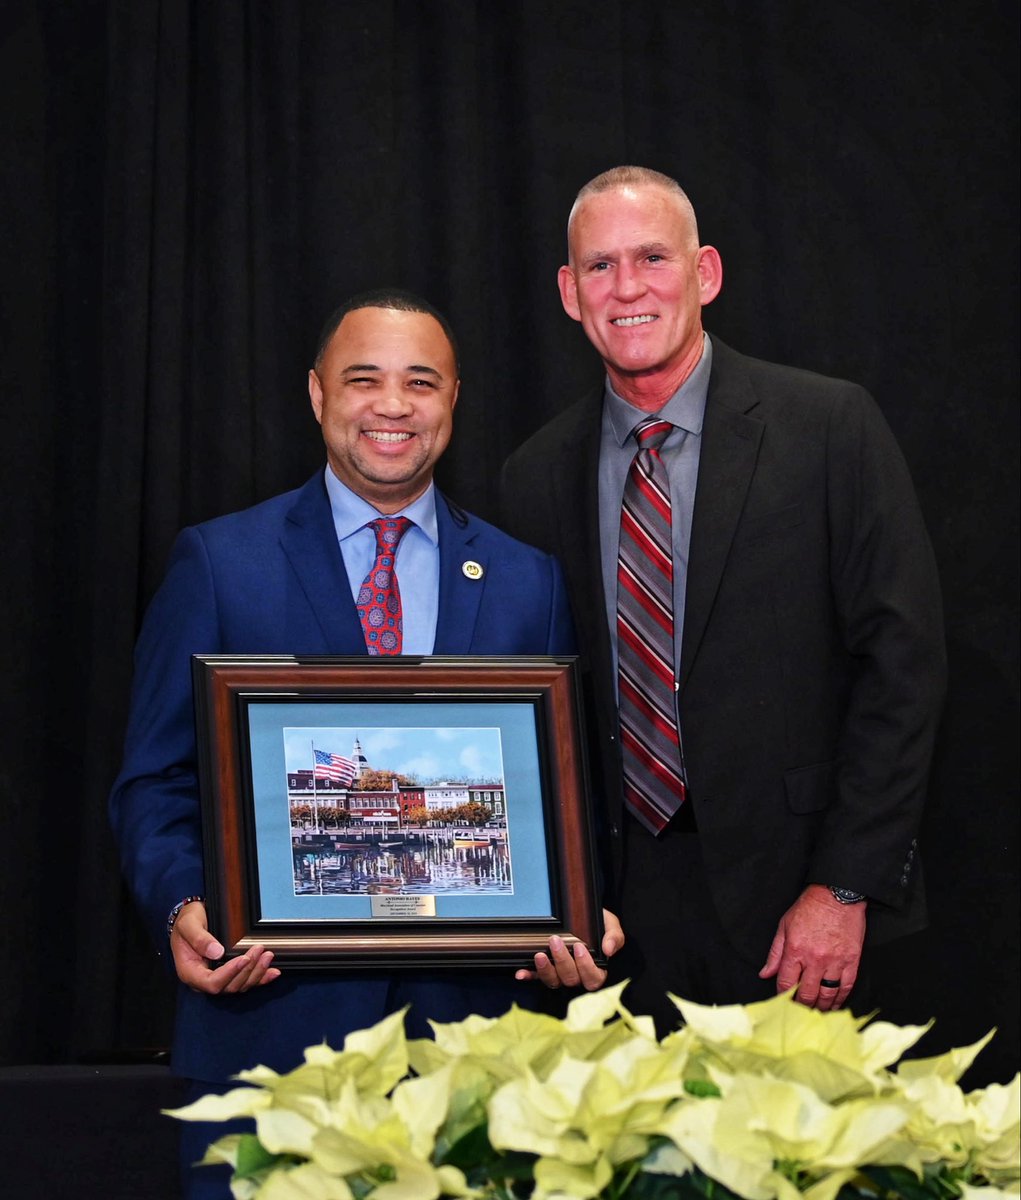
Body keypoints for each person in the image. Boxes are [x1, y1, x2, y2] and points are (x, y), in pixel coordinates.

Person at [109, 289, 623, 1199]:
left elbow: (564, 790)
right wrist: (183, 901)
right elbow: (154, 780)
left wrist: (578, 910)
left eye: (420, 382)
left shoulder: (523, 579)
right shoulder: (220, 562)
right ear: (317, 395)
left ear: (453, 399)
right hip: (270, 1044)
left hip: (478, 1061)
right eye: (364, 380)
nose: (393, 405)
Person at [501, 166, 945, 1033]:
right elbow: (530, 704)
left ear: (704, 274)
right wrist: (547, 896)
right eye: (598, 267)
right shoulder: (531, 476)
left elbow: (905, 667)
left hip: (799, 913)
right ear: (567, 291)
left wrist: (844, 882)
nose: (625, 288)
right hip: (614, 928)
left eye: (651, 258)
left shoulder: (827, 429)